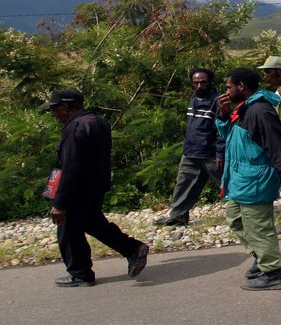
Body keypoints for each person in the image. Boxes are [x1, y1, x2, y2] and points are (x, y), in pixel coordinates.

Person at [40, 89, 149, 287]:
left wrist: (60, 203)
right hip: (96, 185)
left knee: (68, 230)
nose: (53, 114)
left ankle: (80, 273)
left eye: (54, 109)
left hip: (77, 189)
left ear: (65, 108)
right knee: (92, 223)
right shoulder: (97, 121)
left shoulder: (75, 128)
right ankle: (133, 249)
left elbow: (71, 168)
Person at [215, 68, 281, 291]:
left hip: (254, 179)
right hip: (240, 179)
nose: (226, 91)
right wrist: (223, 114)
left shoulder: (259, 111)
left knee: (258, 228)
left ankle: (272, 273)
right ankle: (263, 258)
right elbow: (231, 137)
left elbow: (278, 144)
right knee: (236, 220)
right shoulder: (245, 109)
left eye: (228, 86)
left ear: (241, 86)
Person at [154, 68, 225, 226]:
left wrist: (220, 153)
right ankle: (178, 215)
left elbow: (222, 129)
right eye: (196, 83)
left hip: (211, 153)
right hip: (191, 151)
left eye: (203, 82)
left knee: (228, 183)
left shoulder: (218, 101)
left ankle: (248, 212)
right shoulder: (194, 98)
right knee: (183, 184)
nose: (199, 86)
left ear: (210, 82)